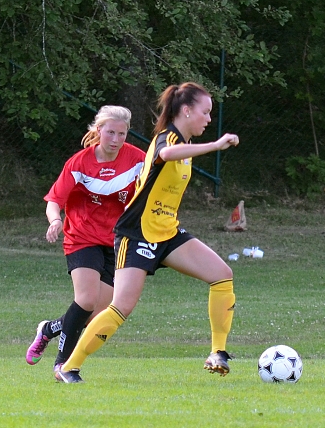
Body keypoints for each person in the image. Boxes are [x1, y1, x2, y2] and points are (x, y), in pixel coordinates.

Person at [58, 82, 240, 383]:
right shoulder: (166, 140)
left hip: (167, 233)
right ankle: (68, 368)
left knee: (222, 275)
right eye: (205, 112)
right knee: (121, 307)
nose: (209, 119)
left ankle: (217, 353)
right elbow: (166, 154)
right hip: (137, 234)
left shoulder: (186, 146)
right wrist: (215, 145)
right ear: (186, 110)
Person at [27, 106, 145, 381]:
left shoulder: (137, 159)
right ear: (98, 131)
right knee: (86, 299)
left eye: (122, 133)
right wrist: (55, 220)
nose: (116, 139)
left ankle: (49, 330)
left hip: (117, 242)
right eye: (110, 132)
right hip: (82, 237)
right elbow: (54, 200)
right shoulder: (79, 163)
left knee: (93, 317)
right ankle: (62, 365)